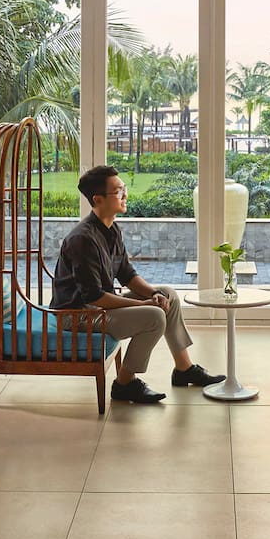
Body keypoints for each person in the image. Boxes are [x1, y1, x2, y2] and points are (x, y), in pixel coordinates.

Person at [52, 165, 225, 403]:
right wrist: (143, 303)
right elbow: (93, 296)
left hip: (98, 307)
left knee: (168, 295)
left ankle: (184, 369)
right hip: (78, 315)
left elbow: (127, 274)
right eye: (118, 191)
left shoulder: (111, 230)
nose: (125, 194)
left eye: (124, 188)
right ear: (98, 199)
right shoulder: (82, 239)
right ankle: (124, 384)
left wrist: (154, 293)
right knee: (154, 316)